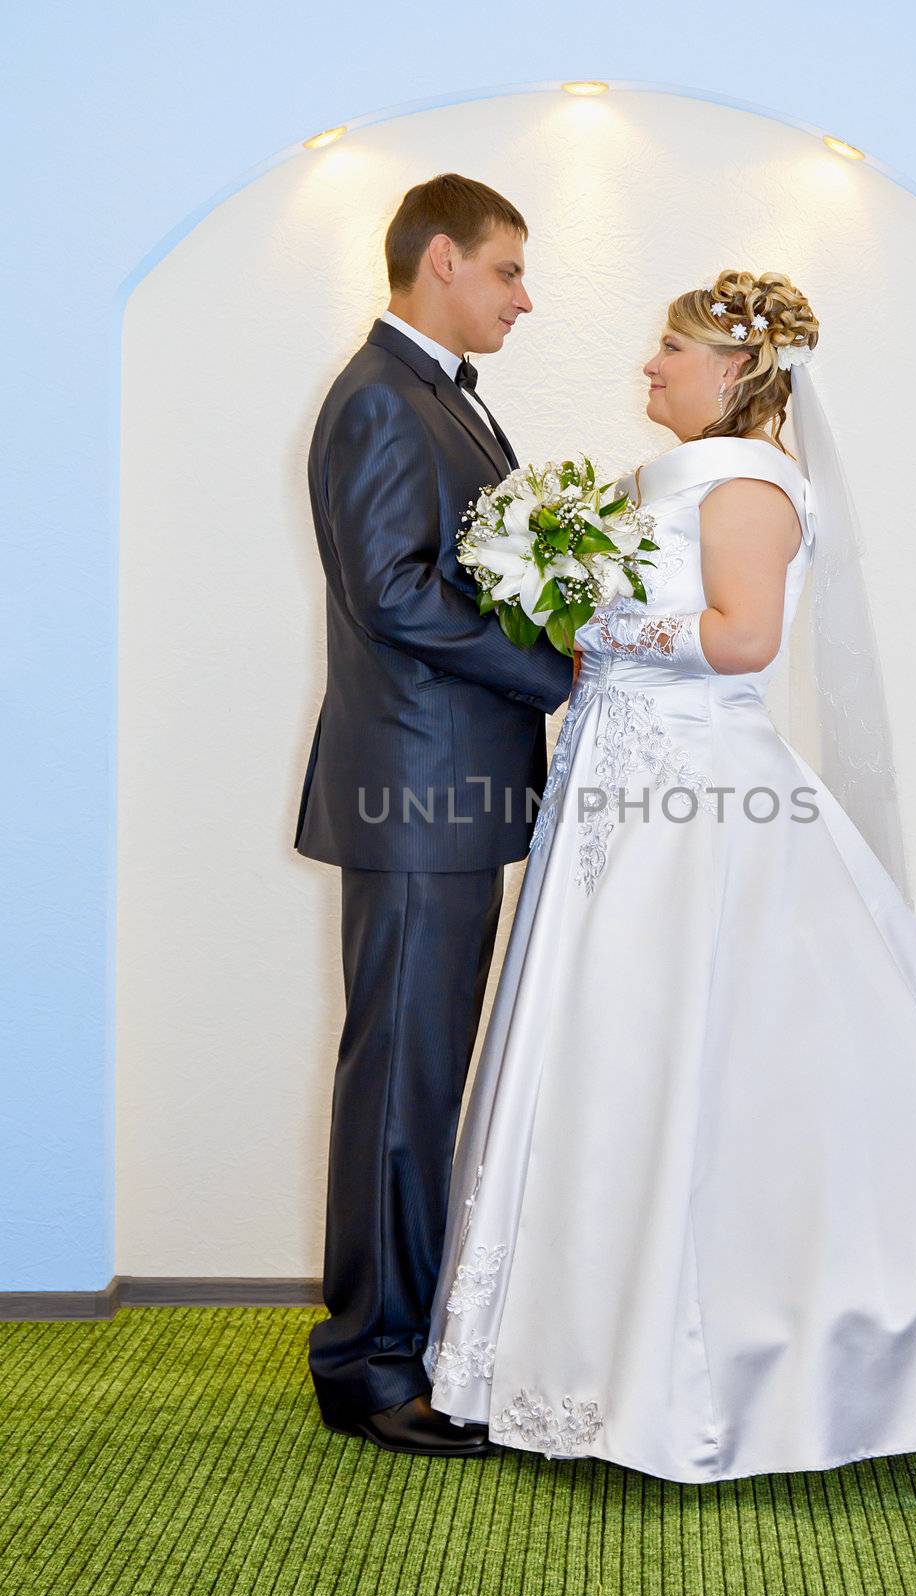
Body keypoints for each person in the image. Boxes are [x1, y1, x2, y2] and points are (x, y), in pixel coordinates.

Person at [420, 269, 916, 1482]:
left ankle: (725, 1359)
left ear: (734, 371)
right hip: (622, 782)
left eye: (668, 350)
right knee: (614, 1054)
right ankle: (575, 1358)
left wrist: (587, 624)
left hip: (691, 796)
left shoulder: (741, 479)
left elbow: (742, 638)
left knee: (696, 1049)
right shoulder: (674, 474)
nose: (647, 366)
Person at [294, 173, 574, 1456]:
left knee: (418, 1078)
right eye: (509, 272)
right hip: (416, 799)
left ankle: (403, 1338)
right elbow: (395, 595)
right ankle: (367, 1368)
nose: (524, 297)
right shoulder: (379, 399)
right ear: (443, 259)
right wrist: (552, 672)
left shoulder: (433, 397)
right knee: (404, 1086)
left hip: (446, 796)